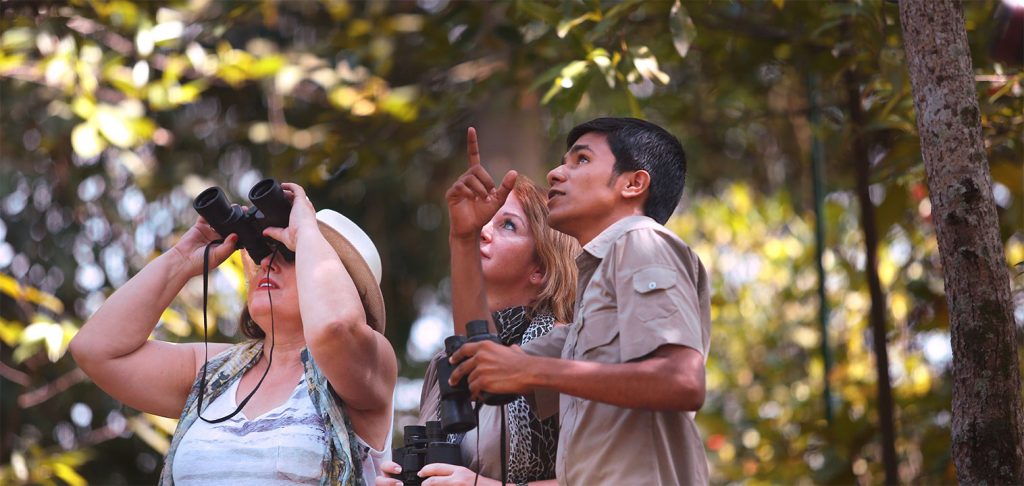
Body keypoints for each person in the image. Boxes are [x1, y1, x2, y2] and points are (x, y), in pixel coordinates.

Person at [69, 183, 397, 485]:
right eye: (262, 251)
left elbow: (336, 327)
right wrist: (181, 260)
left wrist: (307, 231)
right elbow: (95, 349)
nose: (267, 263)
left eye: (290, 254)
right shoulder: (215, 371)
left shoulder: (370, 364)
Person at [448, 118, 712, 485]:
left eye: (581, 160)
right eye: (563, 161)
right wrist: (464, 238)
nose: (556, 173)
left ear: (633, 183)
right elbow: (486, 371)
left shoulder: (641, 241)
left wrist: (530, 371)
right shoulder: (591, 307)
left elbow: (682, 381)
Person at [376, 128, 579, 486]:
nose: (484, 231)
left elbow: (597, 477)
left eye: (508, 225)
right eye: (486, 222)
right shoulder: (444, 362)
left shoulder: (560, 345)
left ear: (541, 269)